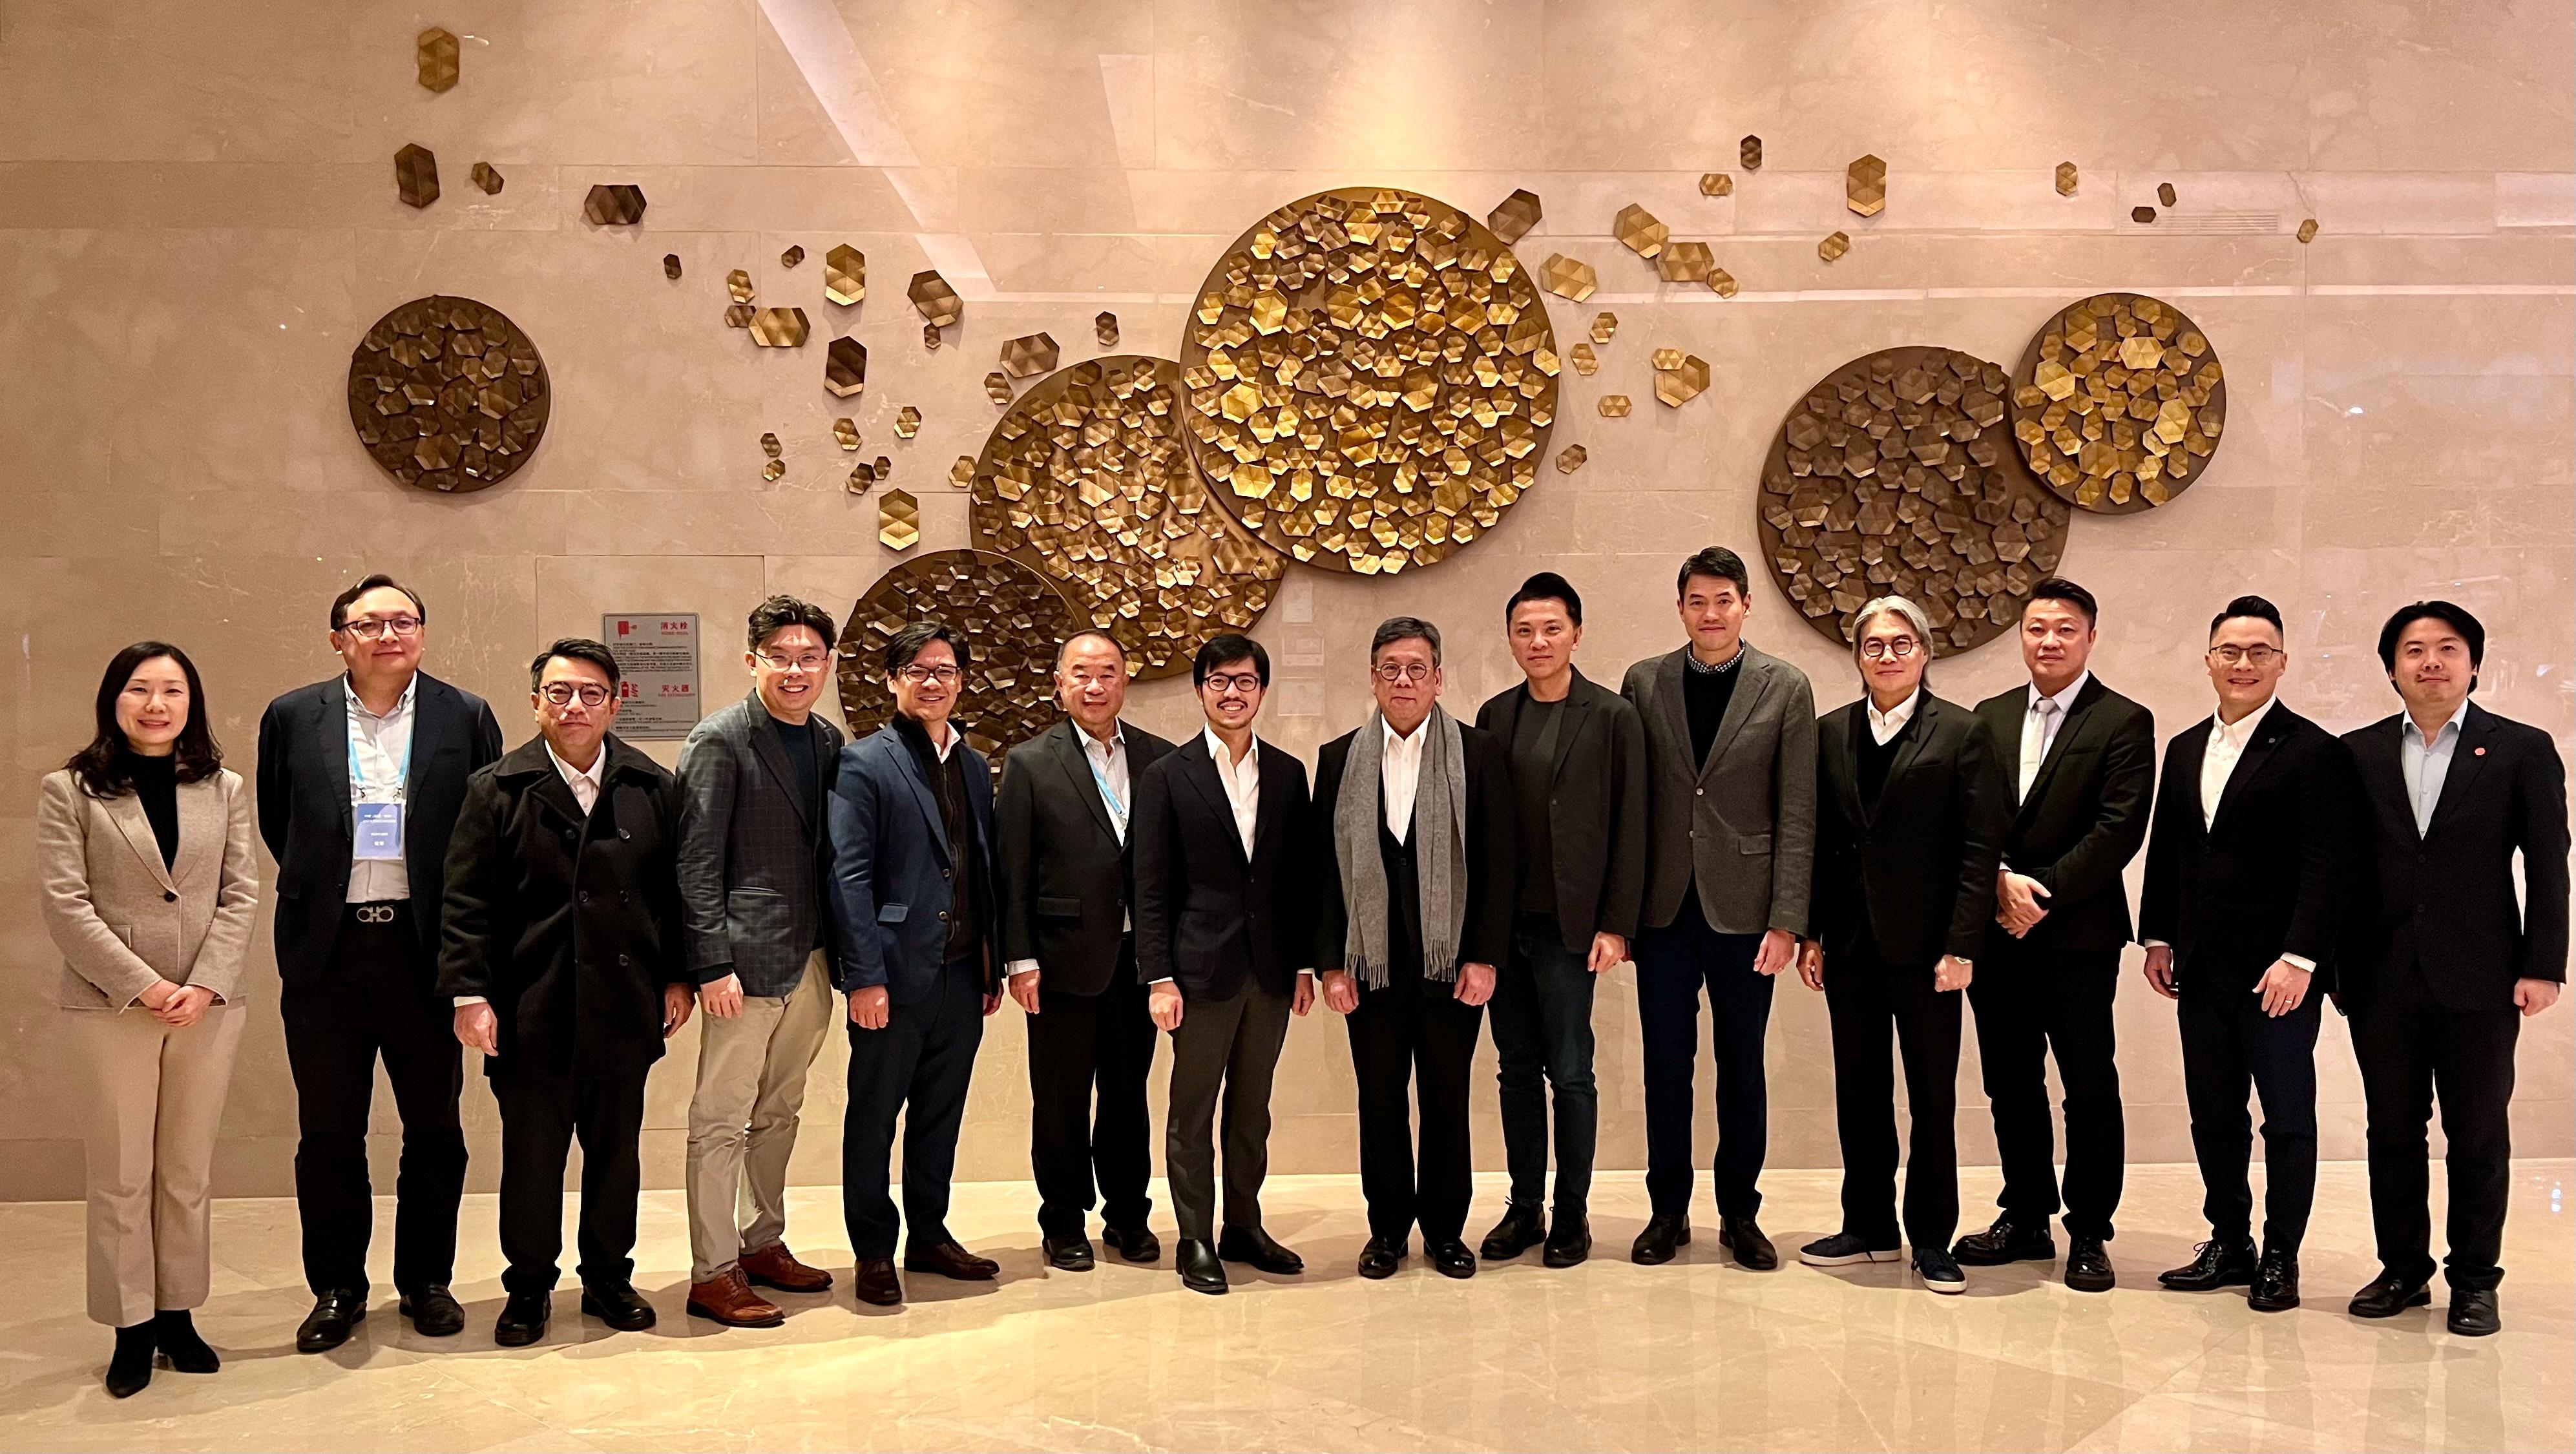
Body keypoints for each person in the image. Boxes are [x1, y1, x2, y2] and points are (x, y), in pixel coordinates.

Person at [256, 574, 503, 1352]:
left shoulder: (464, 715)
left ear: (423, 634)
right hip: (326, 949)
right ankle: (337, 1285)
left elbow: (485, 831)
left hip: (426, 950)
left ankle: (426, 1280)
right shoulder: (294, 716)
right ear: (339, 639)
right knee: (328, 1130)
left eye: (403, 621)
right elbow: (277, 818)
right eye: (369, 623)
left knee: (434, 1125)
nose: (388, 634)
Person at [439, 639, 694, 1347]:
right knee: (532, 1158)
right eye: (559, 692)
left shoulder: (652, 786)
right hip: (530, 1007)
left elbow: (672, 895)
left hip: (624, 1003)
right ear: (535, 703)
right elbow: (465, 901)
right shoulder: (496, 788)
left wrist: (677, 974)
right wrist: (469, 992)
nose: (574, 705)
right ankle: (527, 1286)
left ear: (616, 702)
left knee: (617, 1155)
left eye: (590, 692)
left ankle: (610, 1276)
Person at [2340, 601, 2566, 1336]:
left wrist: (2544, 964)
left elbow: (2548, 866)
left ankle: (2474, 1280)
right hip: (2380, 977)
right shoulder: (2357, 752)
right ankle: (2403, 1268)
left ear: (2474, 662)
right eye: (2413, 649)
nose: (2430, 661)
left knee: (2477, 1134)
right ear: (2392, 667)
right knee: (2392, 1130)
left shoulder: (2521, 748)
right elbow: (2332, 867)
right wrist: (2339, 970)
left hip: (2484, 977)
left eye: (2447, 648)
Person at [38, 643, 258, 1398]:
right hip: (110, 1008)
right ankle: (130, 1327)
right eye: (140, 689)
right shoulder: (71, 789)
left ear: (192, 702)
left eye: (172, 690)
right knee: (123, 1174)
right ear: (115, 699)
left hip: (206, 1007)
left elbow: (241, 894)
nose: (156, 704)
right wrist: (145, 984)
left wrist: (204, 984)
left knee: (186, 1171)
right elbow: (65, 905)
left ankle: (178, 1314)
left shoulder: (224, 787)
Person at [2141, 595, 2362, 1313]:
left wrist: (2301, 957)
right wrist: (2158, 938)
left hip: (2278, 976)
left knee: (2287, 1117)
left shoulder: (2315, 751)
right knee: (2214, 1113)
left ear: (2282, 662)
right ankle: (2229, 1240)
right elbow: (2170, 854)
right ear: (2208, 661)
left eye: (2258, 651)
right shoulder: (2182, 748)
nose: (2243, 664)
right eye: (2229, 651)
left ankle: (2280, 1255)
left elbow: (2331, 867)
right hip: (2200, 969)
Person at [1796, 597, 2009, 1294]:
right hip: (1851, 947)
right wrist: (1812, 935)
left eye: (1900, 643)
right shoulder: (1830, 733)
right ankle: (1869, 1227)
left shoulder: (1963, 733)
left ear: (1925, 651)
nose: (1886, 656)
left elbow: (1979, 851)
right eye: (1873, 645)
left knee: (1931, 1100)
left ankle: (1931, 1238)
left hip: (1929, 954)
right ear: (1857, 656)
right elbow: (1821, 846)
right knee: (1859, 1093)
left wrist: (1962, 945)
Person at [1953, 579, 2155, 1292]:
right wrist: (2002, 880)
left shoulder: (2124, 720)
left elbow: (2119, 829)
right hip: (1998, 929)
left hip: (2078, 932)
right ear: (2022, 635)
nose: (2049, 641)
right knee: (2010, 1081)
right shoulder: (1990, 716)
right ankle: (2027, 1213)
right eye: (2038, 628)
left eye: (2065, 629)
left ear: (2090, 638)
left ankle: (2091, 1229)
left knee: (2088, 1082)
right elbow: (1970, 818)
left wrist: (2044, 894)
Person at [1619, 547, 1817, 1268]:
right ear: (1680, 608)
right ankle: (1667, 1210)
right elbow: (1631, 806)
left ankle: (1740, 1211)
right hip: (1664, 910)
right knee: (1664, 1065)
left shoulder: (1785, 686)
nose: (1710, 613)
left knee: (1742, 1067)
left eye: (1724, 600)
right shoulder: (1644, 682)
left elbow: (1799, 811)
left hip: (1748, 912)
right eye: (1697, 601)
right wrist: (1623, 911)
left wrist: (1788, 919)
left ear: (1745, 606)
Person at [1313, 618, 1516, 1280]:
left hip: (1449, 964)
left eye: (1417, 668)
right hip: (1369, 966)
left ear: (1439, 677)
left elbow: (1497, 864)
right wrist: (1332, 964)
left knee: (1446, 1098)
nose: (1404, 680)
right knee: (1380, 1099)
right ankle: (1387, 1231)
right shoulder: (1339, 757)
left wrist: (1485, 956)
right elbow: (1322, 871)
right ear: (1373, 678)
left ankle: (1446, 1231)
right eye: (1391, 668)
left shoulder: (1478, 754)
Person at [675, 597, 848, 1328]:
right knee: (721, 1119)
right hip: (741, 968)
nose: (796, 669)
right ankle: (712, 1272)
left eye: (810, 657)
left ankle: (761, 1241)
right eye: (780, 655)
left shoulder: (830, 740)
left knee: (779, 1112)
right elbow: (695, 861)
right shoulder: (720, 740)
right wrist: (709, 963)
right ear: (753, 661)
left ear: (827, 665)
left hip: (810, 958)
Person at [826, 621, 1005, 1309]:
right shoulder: (864, 761)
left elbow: (979, 866)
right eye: (919, 670)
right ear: (893, 680)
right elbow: (849, 876)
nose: (934, 682)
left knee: (940, 1113)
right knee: (874, 1115)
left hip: (960, 972)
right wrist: (863, 976)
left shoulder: (973, 762)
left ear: (961, 680)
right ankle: (874, 1248)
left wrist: (988, 966)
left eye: (946, 670)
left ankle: (929, 1233)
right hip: (893, 976)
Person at [1131, 634, 1316, 1295]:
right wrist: (1158, 976)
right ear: (1201, 689)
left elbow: (1300, 879)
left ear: (1262, 690)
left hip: (1269, 973)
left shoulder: (1291, 773)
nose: (1232, 692)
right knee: (1192, 1110)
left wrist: (1303, 965)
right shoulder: (1167, 775)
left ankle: (1245, 1224)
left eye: (1244, 681)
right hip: (1198, 974)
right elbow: (1149, 888)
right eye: (1219, 681)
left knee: (1251, 1109)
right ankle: (1196, 1238)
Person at [1475, 574, 1646, 1269]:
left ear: (1577, 633)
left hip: (1571, 929)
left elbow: (1632, 826)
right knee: (1515, 1070)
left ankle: (1572, 1214)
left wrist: (1617, 923)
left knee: (1571, 1071)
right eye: (1524, 630)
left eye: (1551, 628)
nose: (1537, 642)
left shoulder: (1612, 717)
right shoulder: (1493, 715)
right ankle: (1525, 1206)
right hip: (1502, 929)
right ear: (1511, 638)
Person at [995, 630, 1176, 1271]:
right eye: (1081, 674)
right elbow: (1012, 872)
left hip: (1140, 964)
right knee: (1062, 1101)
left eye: (1106, 673)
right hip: (1061, 960)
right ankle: (1063, 1221)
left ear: (1125, 681)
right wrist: (1020, 960)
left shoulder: (1161, 758)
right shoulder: (1030, 762)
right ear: (1059, 682)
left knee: (1130, 1098)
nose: (1094, 686)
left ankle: (1128, 1216)